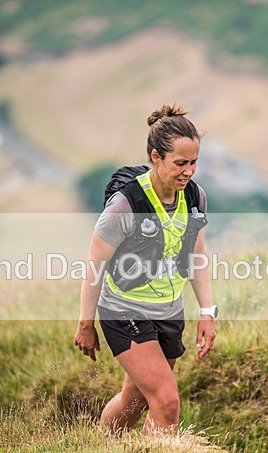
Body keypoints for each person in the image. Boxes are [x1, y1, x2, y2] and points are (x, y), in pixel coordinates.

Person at [73, 103, 218, 435]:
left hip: (168, 311)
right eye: (180, 163)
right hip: (123, 311)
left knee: (134, 400)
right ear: (156, 157)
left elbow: (197, 257)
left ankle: (101, 449)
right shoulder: (126, 205)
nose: (188, 171)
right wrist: (86, 323)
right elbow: (95, 265)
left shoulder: (195, 197)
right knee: (167, 402)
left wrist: (207, 313)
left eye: (194, 162)